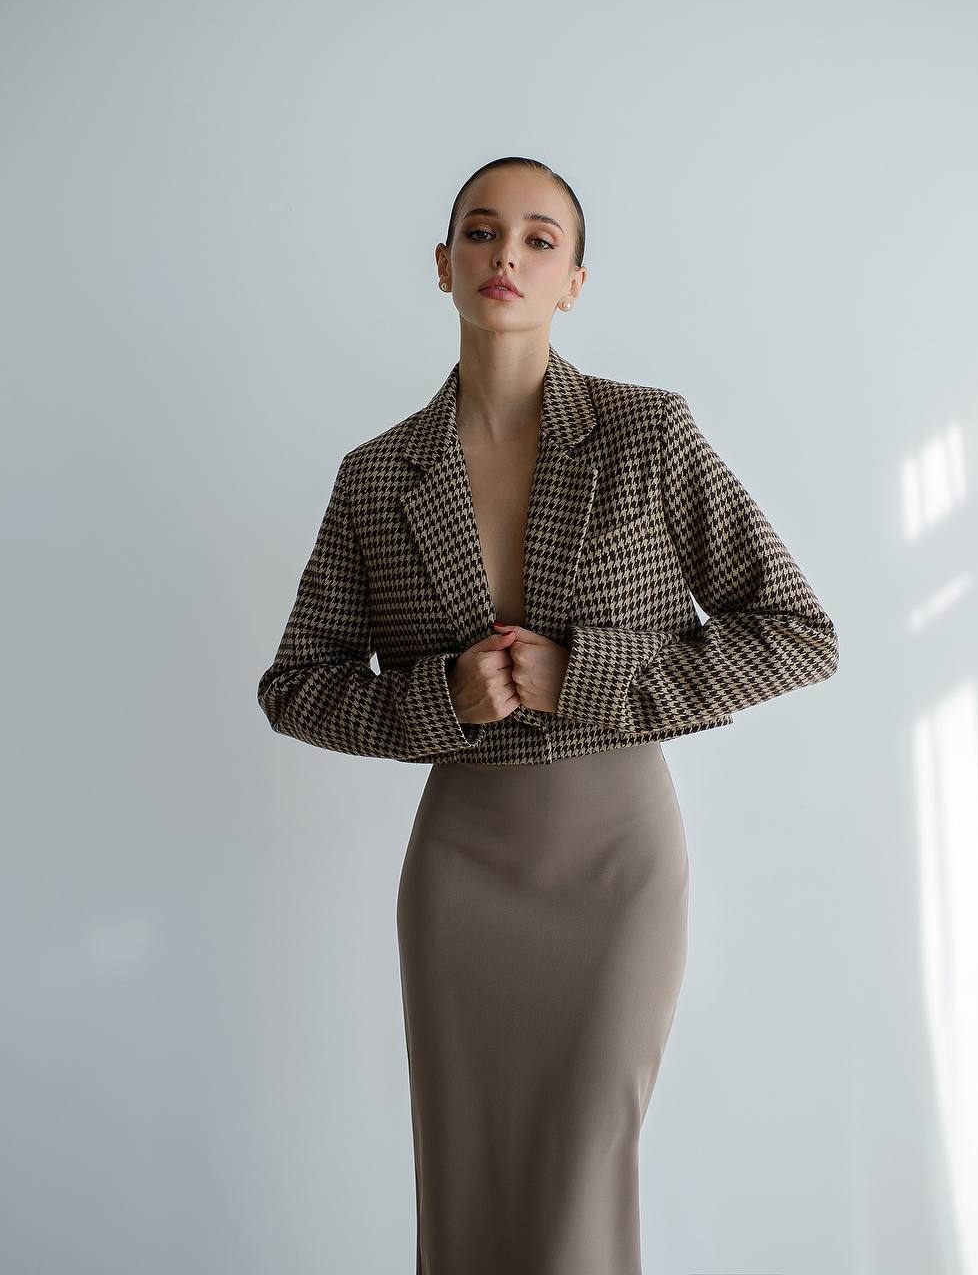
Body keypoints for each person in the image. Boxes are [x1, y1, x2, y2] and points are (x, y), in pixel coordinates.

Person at [257, 156, 838, 1274]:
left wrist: (587, 675)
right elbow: (298, 682)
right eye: (481, 233)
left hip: (616, 863)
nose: (505, 257)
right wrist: (439, 696)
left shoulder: (647, 434)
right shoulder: (377, 476)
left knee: (579, 1179)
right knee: (466, 1193)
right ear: (443, 264)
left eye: (537, 239)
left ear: (574, 278)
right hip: (462, 872)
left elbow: (797, 630)